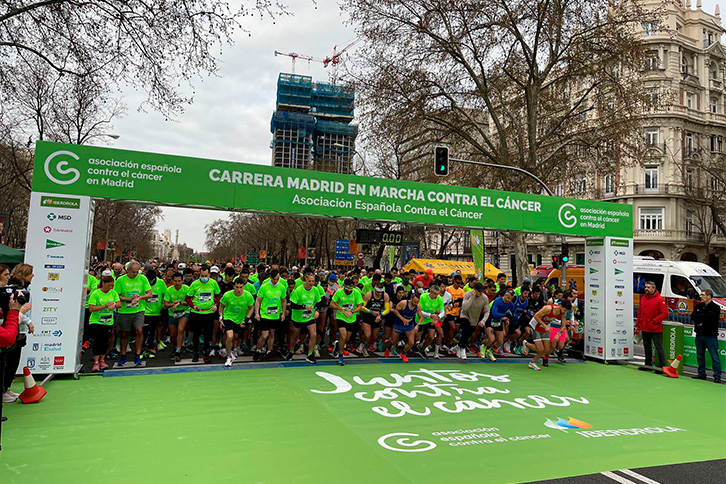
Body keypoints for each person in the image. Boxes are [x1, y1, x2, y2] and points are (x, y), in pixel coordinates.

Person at [114, 261, 153, 367]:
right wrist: (129, 299)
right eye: (133, 272)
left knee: (139, 330)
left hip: (138, 310)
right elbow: (116, 296)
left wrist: (139, 298)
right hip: (124, 310)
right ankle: (123, 356)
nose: (135, 274)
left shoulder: (142, 279)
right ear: (128, 271)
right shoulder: (121, 280)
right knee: (124, 334)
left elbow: (149, 294)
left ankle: (137, 355)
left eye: (137, 272)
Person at [185, 265, 221, 363]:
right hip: (197, 313)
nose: (204, 278)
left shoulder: (213, 283)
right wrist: (193, 306)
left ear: (209, 274)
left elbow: (218, 296)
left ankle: (205, 352)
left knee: (208, 334)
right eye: (202, 276)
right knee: (196, 334)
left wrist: (216, 305)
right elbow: (188, 298)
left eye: (206, 276)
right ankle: (196, 353)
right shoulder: (194, 284)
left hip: (209, 312)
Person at [87, 275, 121, 372]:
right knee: (97, 341)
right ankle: (96, 362)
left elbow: (119, 304)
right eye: (109, 285)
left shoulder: (113, 293)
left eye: (112, 285)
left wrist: (114, 305)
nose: (111, 287)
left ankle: (102, 360)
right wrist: (105, 306)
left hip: (108, 321)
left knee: (105, 341)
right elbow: (91, 308)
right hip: (96, 321)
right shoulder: (96, 293)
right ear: (103, 283)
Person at [525, 301, 572, 371]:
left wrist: (558, 334)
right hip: (535, 327)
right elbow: (536, 316)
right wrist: (544, 325)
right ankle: (526, 344)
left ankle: (532, 363)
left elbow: (563, 326)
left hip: (545, 328)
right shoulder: (548, 308)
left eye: (567, 311)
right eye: (565, 310)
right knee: (540, 349)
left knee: (546, 349)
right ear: (561, 306)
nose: (565, 312)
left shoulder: (563, 313)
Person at [286, 273, 322, 364]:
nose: (311, 283)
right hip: (298, 317)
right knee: (295, 336)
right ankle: (291, 351)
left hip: (309, 317)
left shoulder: (315, 290)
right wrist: (304, 307)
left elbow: (319, 303)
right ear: (305, 281)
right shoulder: (298, 290)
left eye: (313, 281)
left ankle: (310, 354)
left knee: (313, 334)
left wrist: (317, 311)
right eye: (309, 281)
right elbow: (292, 305)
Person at [219, 279, 255, 367]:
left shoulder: (248, 295)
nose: (239, 289)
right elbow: (221, 306)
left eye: (241, 287)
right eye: (237, 287)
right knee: (230, 336)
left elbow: (251, 307)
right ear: (234, 286)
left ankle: (228, 350)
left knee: (235, 336)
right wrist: (221, 318)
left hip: (240, 319)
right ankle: (228, 358)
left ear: (243, 287)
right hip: (228, 317)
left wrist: (247, 319)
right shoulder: (227, 295)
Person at [253, 269, 287, 361]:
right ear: (270, 277)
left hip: (275, 315)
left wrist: (283, 313)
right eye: (274, 279)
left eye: (278, 279)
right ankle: (258, 350)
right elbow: (258, 300)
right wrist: (257, 313)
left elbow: (283, 301)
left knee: (272, 334)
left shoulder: (281, 287)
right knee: (264, 335)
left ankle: (269, 351)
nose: (276, 281)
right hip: (265, 314)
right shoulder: (264, 287)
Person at [691, 289, 722, 383]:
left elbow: (711, 318)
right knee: (700, 355)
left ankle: (717, 376)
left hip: (710, 335)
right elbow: (693, 317)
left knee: (714, 356)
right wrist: (701, 317)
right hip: (700, 334)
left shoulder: (715, 307)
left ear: (709, 296)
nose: (701, 296)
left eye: (703, 295)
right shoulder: (698, 306)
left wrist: (700, 317)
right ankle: (701, 373)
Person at [330, 278, 363, 366]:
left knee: (346, 338)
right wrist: (340, 309)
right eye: (347, 290)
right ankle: (340, 356)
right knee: (343, 335)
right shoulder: (339, 292)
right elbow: (332, 303)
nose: (349, 291)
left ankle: (338, 346)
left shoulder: (356, 292)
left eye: (350, 290)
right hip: (341, 317)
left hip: (352, 318)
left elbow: (360, 306)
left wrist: (352, 312)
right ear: (344, 287)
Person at [635, 281, 668, 370]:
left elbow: (664, 314)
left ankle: (662, 366)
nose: (646, 289)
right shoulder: (643, 298)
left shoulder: (660, 300)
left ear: (653, 288)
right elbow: (640, 313)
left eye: (648, 287)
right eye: (645, 287)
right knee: (646, 347)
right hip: (645, 327)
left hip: (655, 328)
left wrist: (654, 321)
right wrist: (637, 326)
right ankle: (648, 364)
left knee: (658, 347)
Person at [455, 283, 490, 360]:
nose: (481, 293)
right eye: (479, 291)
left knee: (468, 334)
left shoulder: (484, 298)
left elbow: (487, 311)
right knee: (465, 330)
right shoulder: (468, 294)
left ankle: (459, 346)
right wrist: (472, 297)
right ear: (475, 290)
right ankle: (462, 349)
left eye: (482, 291)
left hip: (474, 319)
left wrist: (483, 321)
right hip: (465, 315)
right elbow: (465, 307)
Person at [386, 291, 423, 362]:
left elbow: (421, 317)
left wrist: (417, 325)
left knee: (411, 342)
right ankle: (389, 348)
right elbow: (395, 311)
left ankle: (403, 353)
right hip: (399, 323)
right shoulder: (403, 303)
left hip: (409, 325)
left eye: (417, 302)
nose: (415, 304)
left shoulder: (418, 306)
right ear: (411, 299)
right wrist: (403, 319)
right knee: (393, 341)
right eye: (414, 302)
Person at [482, 289, 516, 361]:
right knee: (491, 339)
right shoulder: (497, 300)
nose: (509, 300)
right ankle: (483, 346)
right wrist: (504, 316)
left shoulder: (510, 304)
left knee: (500, 341)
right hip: (489, 321)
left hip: (498, 322)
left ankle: (490, 351)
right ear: (505, 295)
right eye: (508, 298)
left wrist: (509, 318)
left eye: (511, 299)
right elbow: (494, 313)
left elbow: (513, 313)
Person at [360, 278, 390, 356]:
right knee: (368, 335)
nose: (380, 294)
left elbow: (387, 309)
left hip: (377, 317)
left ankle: (366, 345)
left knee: (374, 336)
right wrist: (371, 312)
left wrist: (381, 315)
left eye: (381, 292)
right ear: (374, 290)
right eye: (378, 292)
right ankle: (364, 346)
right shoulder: (369, 294)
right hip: (367, 316)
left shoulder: (385, 295)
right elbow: (362, 307)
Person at [164, 272, 190, 362]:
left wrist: (180, 303)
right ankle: (177, 346)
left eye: (179, 281)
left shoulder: (187, 289)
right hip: (172, 313)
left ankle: (178, 351)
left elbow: (190, 302)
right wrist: (173, 304)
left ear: (182, 281)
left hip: (184, 311)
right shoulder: (169, 290)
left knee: (181, 329)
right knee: (172, 334)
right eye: (175, 281)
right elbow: (165, 304)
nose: (177, 283)